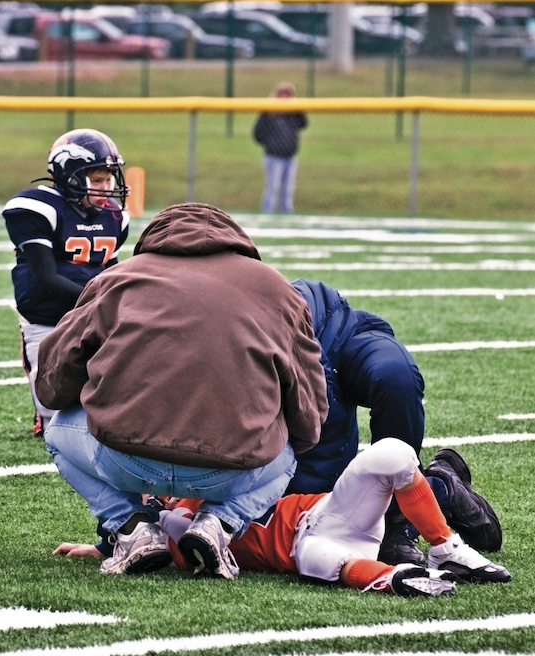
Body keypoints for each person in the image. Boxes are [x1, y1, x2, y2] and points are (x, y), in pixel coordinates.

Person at [36, 202, 328, 579]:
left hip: (126, 459)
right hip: (231, 469)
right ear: (236, 240)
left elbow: (53, 383)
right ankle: (220, 522)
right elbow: (308, 408)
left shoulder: (117, 278)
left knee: (58, 430)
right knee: (286, 454)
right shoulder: (278, 289)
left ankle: (131, 526)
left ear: (155, 239)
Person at [55, 439, 511, 595]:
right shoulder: (172, 531)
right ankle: (394, 579)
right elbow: (168, 535)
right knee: (315, 559)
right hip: (308, 550)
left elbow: (188, 506)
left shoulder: (206, 485)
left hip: (331, 512)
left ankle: (445, 548)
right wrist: (104, 545)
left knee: (392, 453)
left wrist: (174, 503)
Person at [287, 279, 503, 566]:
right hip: (303, 345)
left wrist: (315, 502)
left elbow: (323, 410)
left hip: (339, 333)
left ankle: (399, 519)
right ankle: (440, 488)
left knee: (396, 379)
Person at [2, 128, 130, 437]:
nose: (105, 188)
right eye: (96, 180)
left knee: (111, 388)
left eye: (108, 180)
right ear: (69, 176)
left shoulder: (115, 217)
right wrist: (102, 301)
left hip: (92, 315)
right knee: (51, 406)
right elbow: (46, 279)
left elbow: (108, 269)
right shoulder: (38, 208)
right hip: (47, 317)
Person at [253, 81, 308, 214]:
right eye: (282, 95)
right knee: (273, 186)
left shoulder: (293, 115)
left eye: (288, 95)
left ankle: (286, 212)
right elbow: (258, 133)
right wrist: (271, 144)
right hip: (274, 156)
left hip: (290, 156)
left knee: (288, 188)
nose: (285, 98)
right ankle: (268, 211)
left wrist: (297, 108)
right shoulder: (269, 113)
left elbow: (304, 123)